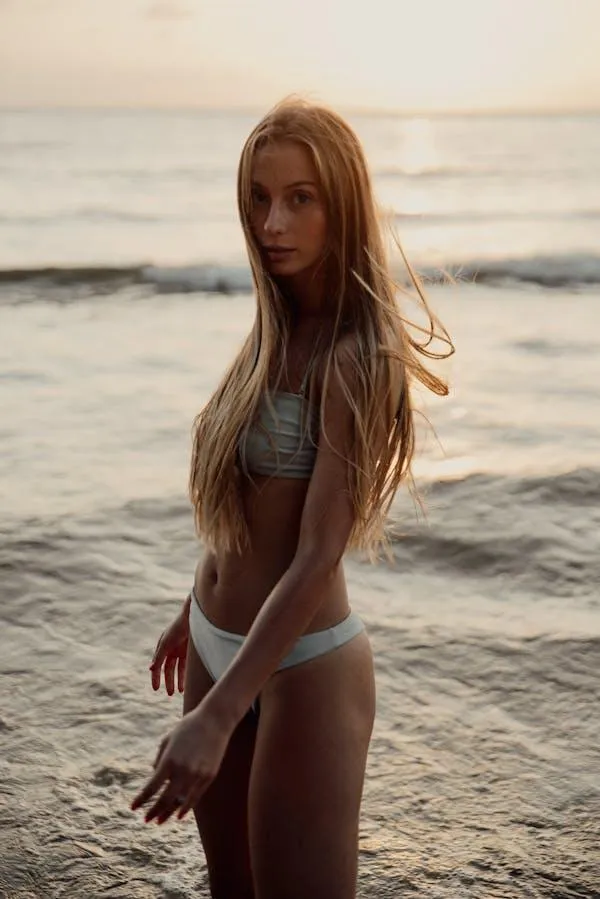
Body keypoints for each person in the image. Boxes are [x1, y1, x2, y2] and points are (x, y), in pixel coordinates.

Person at [131, 97, 453, 899]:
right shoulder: (272, 329)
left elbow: (314, 557)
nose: (272, 223)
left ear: (341, 204)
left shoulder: (354, 355)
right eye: (259, 198)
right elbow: (250, 504)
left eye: (300, 198)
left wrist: (216, 714)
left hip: (302, 668)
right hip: (216, 644)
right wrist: (195, 603)